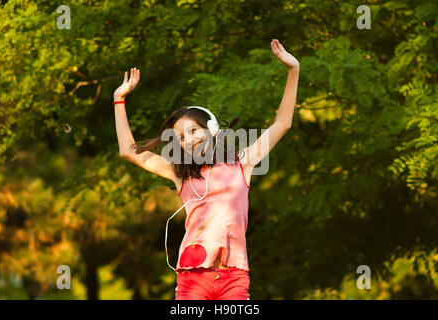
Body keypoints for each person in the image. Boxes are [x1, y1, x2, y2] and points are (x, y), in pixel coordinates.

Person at [113, 39, 300, 300]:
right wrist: (118, 100)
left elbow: (283, 123)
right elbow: (128, 151)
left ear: (210, 130)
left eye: (193, 131)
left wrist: (294, 70)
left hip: (234, 275)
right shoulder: (179, 174)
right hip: (192, 276)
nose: (188, 140)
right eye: (180, 137)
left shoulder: (242, 163)